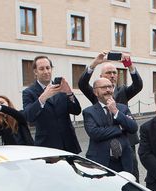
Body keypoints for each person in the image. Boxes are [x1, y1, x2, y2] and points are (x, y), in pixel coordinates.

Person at [78, 52, 143, 181]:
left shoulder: (123, 91)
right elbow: (82, 84)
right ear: (101, 77)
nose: (112, 75)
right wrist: (95, 63)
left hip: (126, 142)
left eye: (114, 73)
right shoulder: (96, 93)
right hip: (104, 145)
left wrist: (129, 64)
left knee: (131, 175)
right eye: (108, 73)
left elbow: (138, 85)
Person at [22, 55, 81, 153]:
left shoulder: (61, 87)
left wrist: (69, 93)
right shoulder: (28, 92)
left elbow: (77, 111)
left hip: (69, 144)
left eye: (48, 68)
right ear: (35, 72)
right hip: (47, 146)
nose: (46, 71)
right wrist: (42, 98)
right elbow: (29, 116)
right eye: (41, 69)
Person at [83, 78, 138, 172]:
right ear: (96, 92)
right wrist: (120, 128)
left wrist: (115, 111)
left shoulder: (123, 108)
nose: (108, 90)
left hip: (124, 161)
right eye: (104, 87)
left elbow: (133, 127)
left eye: (110, 87)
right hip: (100, 161)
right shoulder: (89, 112)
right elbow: (95, 133)